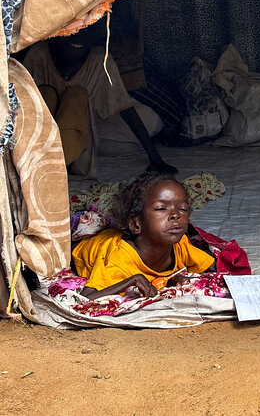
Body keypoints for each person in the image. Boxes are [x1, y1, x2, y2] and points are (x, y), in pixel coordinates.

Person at [22, 32, 176, 176]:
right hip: (43, 138)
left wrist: (155, 158)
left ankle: (68, 159)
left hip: (84, 130)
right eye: (71, 30)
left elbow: (125, 108)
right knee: (56, 95)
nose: (78, 36)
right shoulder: (39, 54)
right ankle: (50, 162)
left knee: (149, 122)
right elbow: (21, 110)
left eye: (85, 29)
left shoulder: (98, 59)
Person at [73, 173, 216, 300]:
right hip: (83, 246)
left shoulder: (180, 245)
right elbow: (87, 296)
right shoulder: (118, 258)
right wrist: (133, 280)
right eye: (161, 208)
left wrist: (172, 279)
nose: (176, 215)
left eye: (182, 209)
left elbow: (216, 268)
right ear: (136, 224)